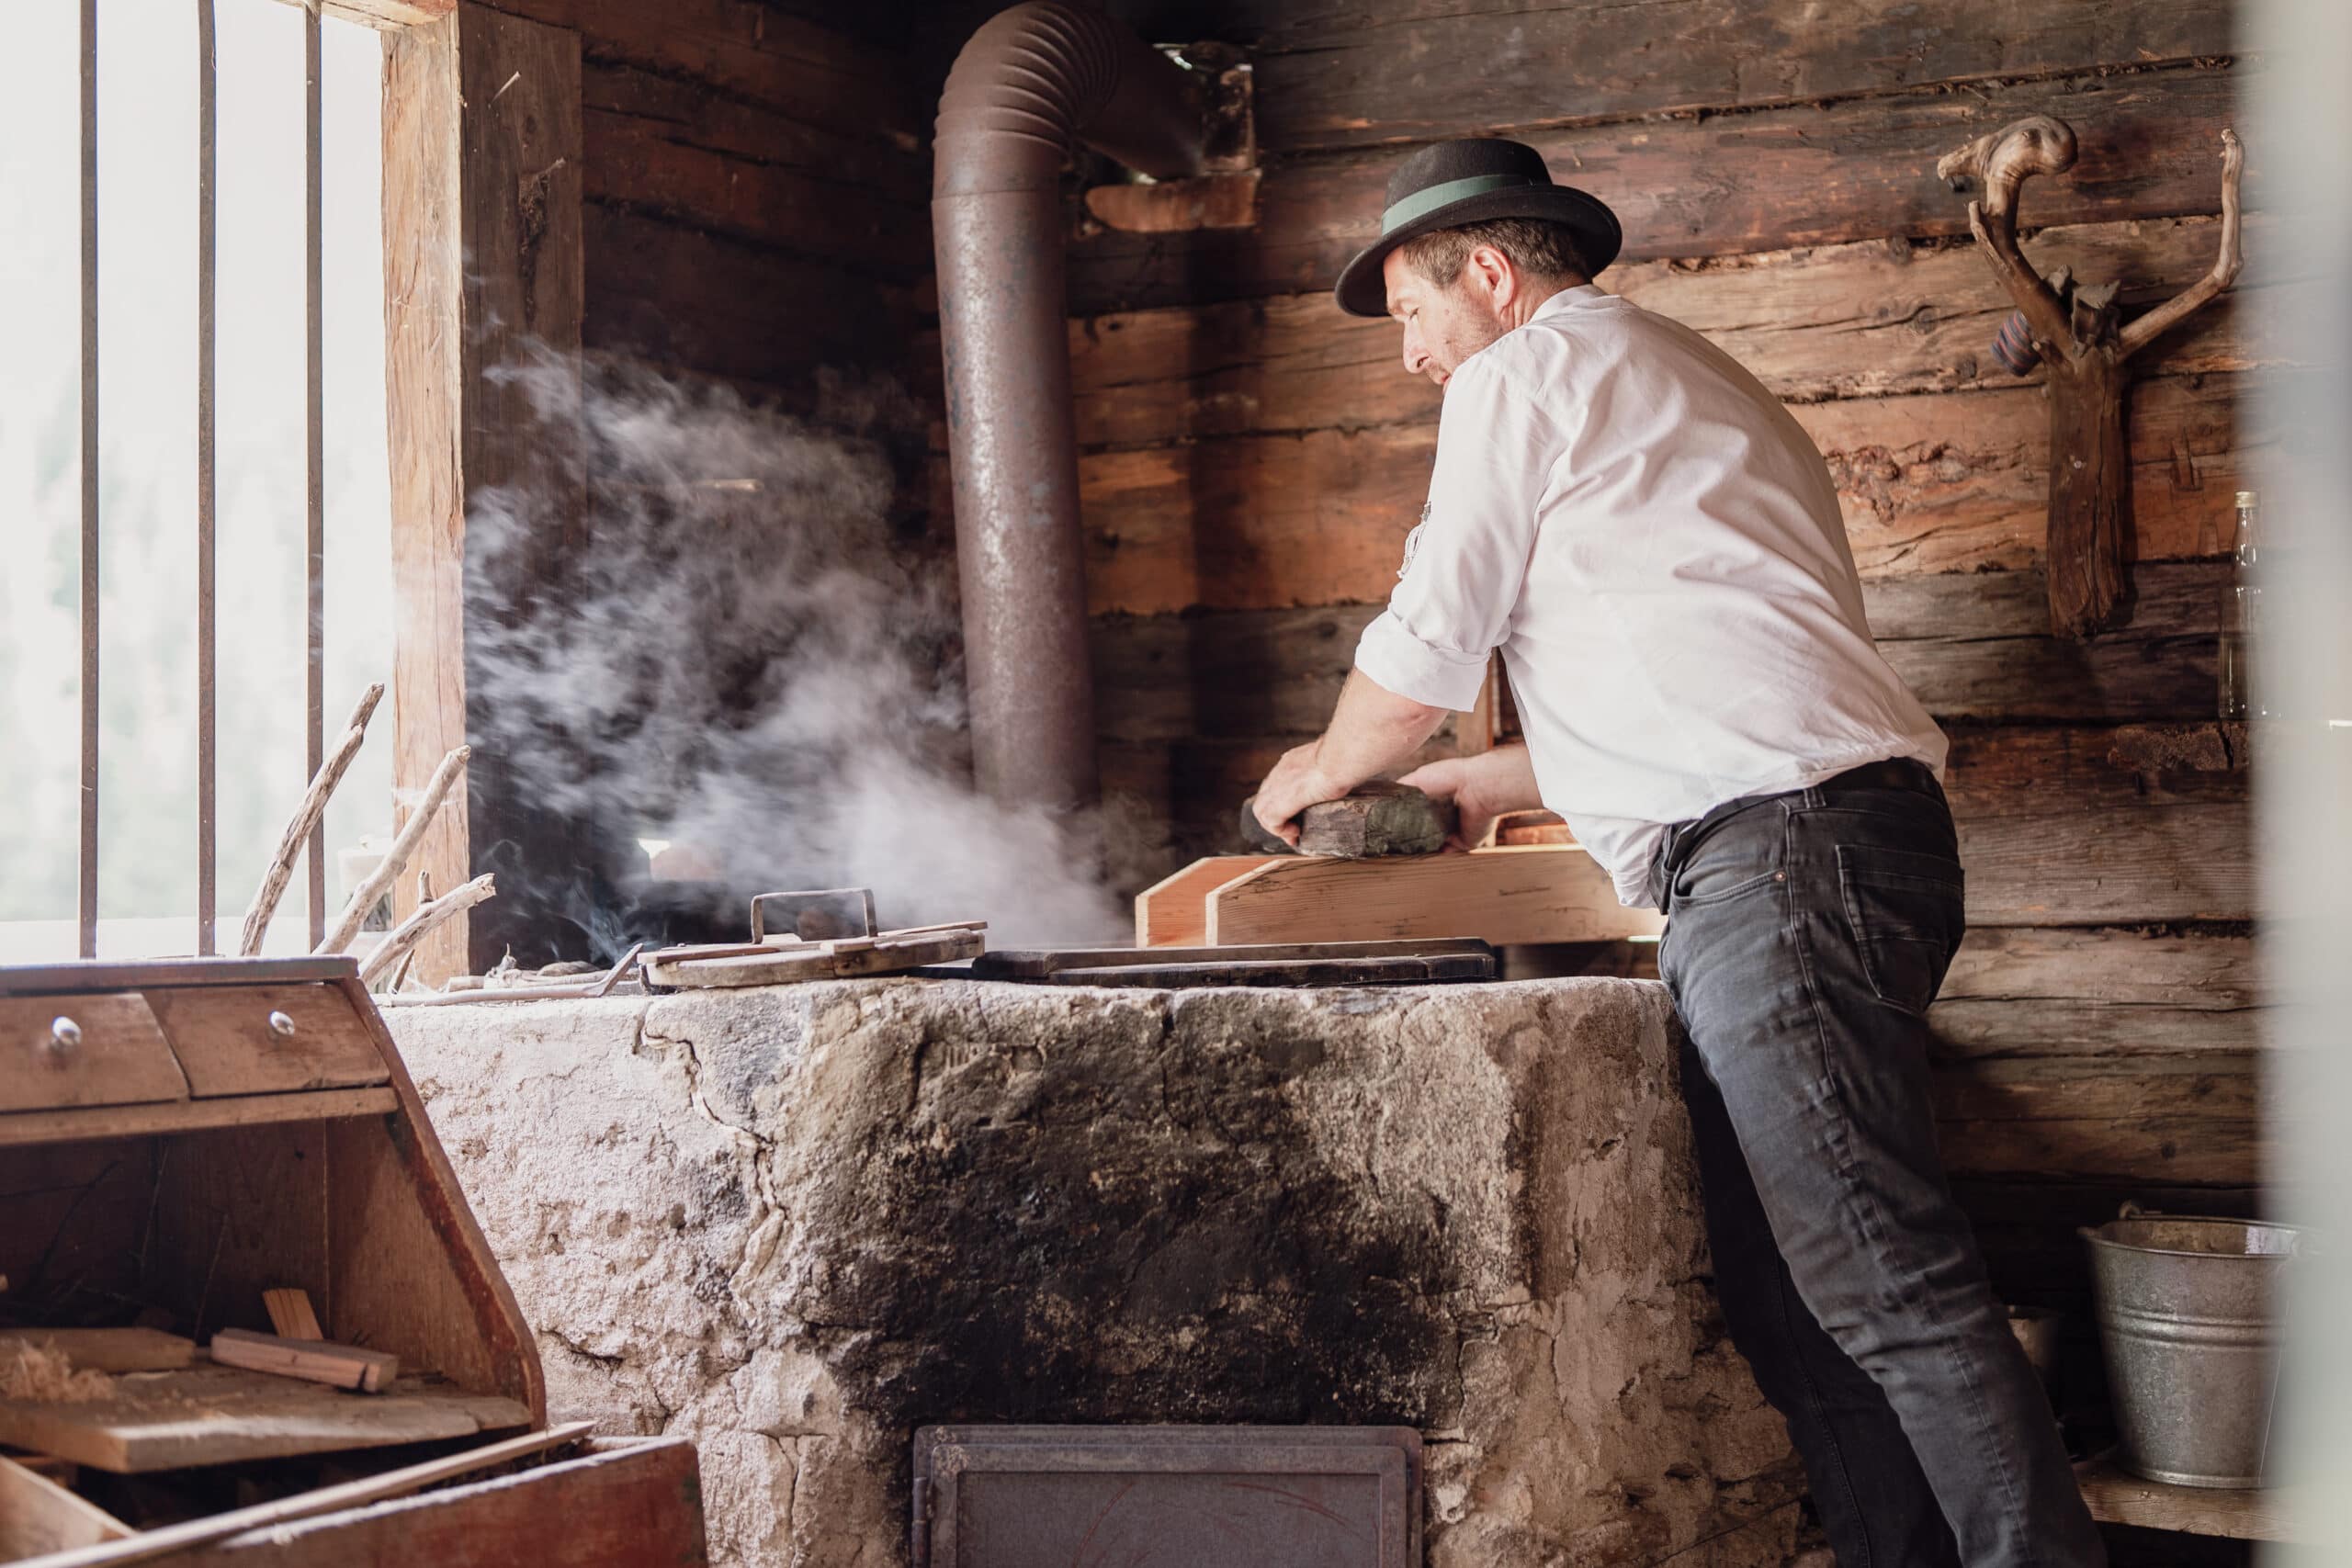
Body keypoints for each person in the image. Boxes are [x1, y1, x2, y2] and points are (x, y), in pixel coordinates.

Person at [1249, 137, 2104, 1568]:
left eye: (1409, 312)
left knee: (1880, 1283)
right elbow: (1701, 672)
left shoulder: (1519, 376)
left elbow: (1422, 653)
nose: (1409, 356)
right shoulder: (1691, 383)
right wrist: (1483, 778)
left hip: (1783, 865)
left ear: (1492, 273)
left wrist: (1320, 768)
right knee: (1789, 1296)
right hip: (1821, 844)